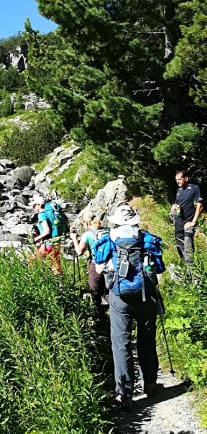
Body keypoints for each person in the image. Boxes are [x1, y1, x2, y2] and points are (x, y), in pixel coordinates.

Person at [94, 203, 164, 411]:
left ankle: (124, 393)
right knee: (146, 338)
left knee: (121, 343)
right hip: (145, 295)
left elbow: (98, 268)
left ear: (115, 221)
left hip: (119, 297)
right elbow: (159, 267)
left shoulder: (108, 239)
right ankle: (150, 384)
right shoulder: (146, 238)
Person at [70, 211, 106, 311]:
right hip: (110, 263)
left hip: (96, 264)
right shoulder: (107, 231)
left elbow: (79, 252)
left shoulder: (87, 234)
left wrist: (73, 239)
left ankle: (98, 314)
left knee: (95, 291)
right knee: (108, 289)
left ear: (86, 223)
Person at [171, 170, 203, 265]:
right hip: (178, 223)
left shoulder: (194, 188)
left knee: (188, 246)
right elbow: (178, 204)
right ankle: (186, 272)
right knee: (180, 247)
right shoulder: (178, 190)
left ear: (186, 178)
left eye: (179, 179)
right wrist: (173, 208)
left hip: (188, 222)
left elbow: (200, 206)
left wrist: (193, 222)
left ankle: (194, 273)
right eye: (176, 180)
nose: (178, 182)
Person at [31, 195, 62, 274]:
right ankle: (61, 284)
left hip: (47, 244)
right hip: (56, 242)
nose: (33, 207)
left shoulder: (41, 215)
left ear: (39, 205)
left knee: (31, 262)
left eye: (34, 205)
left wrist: (35, 239)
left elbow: (46, 231)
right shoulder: (50, 213)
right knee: (56, 267)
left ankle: (36, 281)